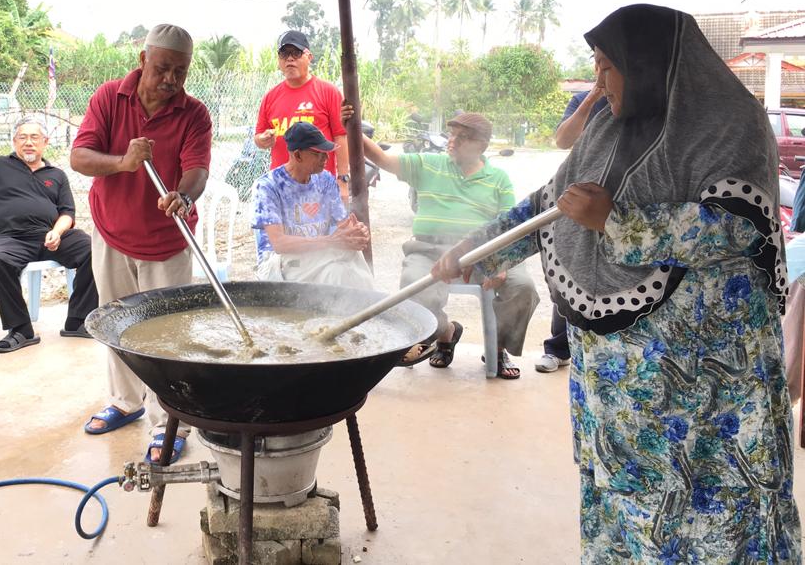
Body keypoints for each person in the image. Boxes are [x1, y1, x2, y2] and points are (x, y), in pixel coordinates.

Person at [432, 4, 800, 561]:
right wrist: (477, 251)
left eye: (609, 66)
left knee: (715, 512)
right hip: (616, 384)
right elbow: (550, 204)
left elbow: (738, 223)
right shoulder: (606, 125)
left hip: (706, 380)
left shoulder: (730, 123)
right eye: (596, 66)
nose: (599, 84)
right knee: (624, 501)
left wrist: (615, 221)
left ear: (649, 61)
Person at [70, 24, 211, 465]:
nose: (171, 79)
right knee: (117, 323)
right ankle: (125, 401)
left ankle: (170, 421)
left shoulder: (194, 113)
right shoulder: (109, 97)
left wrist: (183, 196)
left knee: (168, 334)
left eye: (180, 71)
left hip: (168, 240)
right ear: (143, 60)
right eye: (163, 68)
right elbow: (79, 156)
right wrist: (124, 161)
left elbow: (197, 169)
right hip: (112, 233)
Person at [361, 112, 537, 379]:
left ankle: (497, 348)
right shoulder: (428, 164)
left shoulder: (498, 178)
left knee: (523, 287)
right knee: (414, 286)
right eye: (451, 134)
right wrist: (350, 127)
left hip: (485, 252)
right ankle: (446, 333)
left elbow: (510, 226)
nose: (452, 141)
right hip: (429, 251)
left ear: (481, 145)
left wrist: (501, 262)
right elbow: (382, 159)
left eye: (462, 137)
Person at [0, 117, 100, 352]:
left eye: (34, 137)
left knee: (93, 248)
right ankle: (21, 330)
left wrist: (57, 232)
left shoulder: (57, 174)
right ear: (14, 141)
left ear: (45, 142)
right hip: (11, 238)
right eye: (22, 137)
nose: (28, 142)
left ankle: (78, 320)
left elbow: (67, 213)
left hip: (51, 236)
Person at [538, 73, 609, 374]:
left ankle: (597, 354)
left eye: (608, 65)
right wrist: (593, 97)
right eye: (598, 63)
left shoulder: (640, 103)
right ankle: (558, 348)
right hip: (578, 197)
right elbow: (563, 140)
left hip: (614, 202)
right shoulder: (583, 100)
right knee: (569, 273)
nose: (601, 71)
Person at [250, 122, 373, 288]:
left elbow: (344, 226)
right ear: (298, 155)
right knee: (341, 257)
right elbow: (279, 244)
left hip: (316, 255)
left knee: (337, 271)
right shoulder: (268, 186)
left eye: (326, 153)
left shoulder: (325, 180)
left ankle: (370, 301)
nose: (326, 158)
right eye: (318, 154)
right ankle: (374, 300)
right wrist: (331, 241)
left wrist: (355, 232)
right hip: (278, 263)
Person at [254, 30, 350, 200]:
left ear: (309, 57)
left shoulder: (328, 92)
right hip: (282, 189)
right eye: (284, 54)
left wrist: (343, 180)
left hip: (319, 188)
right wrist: (262, 140)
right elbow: (258, 137)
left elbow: (340, 137)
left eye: (296, 53)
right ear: (279, 60)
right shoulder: (270, 97)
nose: (290, 59)